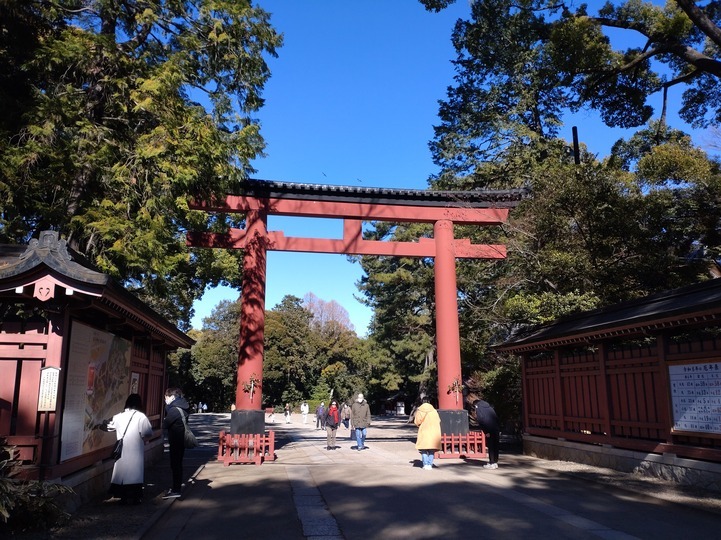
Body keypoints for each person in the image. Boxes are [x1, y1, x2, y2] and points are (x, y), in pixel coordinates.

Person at [103, 393, 153, 504]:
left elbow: (108, 427)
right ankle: (135, 497)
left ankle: (122, 495)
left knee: (122, 472)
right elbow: (147, 432)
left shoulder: (119, 416)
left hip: (122, 449)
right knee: (134, 474)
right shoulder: (141, 416)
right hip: (135, 450)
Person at [162, 387, 191, 498]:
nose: (165, 399)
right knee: (177, 463)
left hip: (176, 439)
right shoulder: (183, 406)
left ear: (172, 397)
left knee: (175, 465)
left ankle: (176, 489)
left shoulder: (174, 410)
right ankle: (176, 487)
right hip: (181, 438)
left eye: (166, 396)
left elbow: (165, 424)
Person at [413, 396, 441, 470]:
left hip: (424, 431)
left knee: (423, 450)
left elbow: (417, 421)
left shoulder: (420, 410)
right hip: (433, 432)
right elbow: (438, 420)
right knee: (431, 450)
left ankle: (425, 464)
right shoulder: (434, 411)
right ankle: (430, 464)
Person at [474, 398, 500, 469]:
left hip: (488, 428)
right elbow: (496, 418)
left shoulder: (478, 407)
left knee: (491, 446)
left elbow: (480, 419)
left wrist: (486, 431)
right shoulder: (489, 407)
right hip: (496, 428)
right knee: (496, 445)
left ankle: (491, 462)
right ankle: (495, 462)